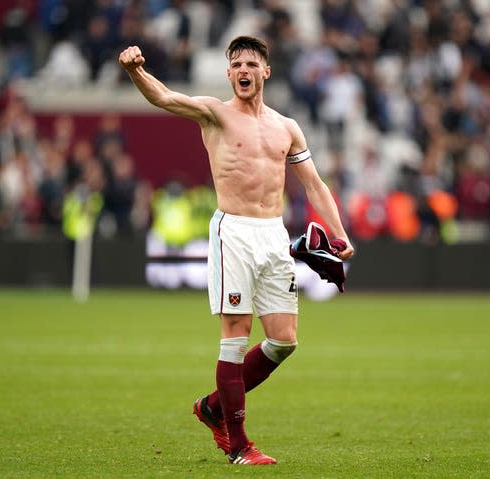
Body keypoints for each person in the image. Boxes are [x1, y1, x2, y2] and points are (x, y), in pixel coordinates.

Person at [119, 35, 354, 465]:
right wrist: (135, 70)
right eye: (236, 64)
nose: (244, 70)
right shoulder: (214, 114)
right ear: (228, 73)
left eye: (252, 63)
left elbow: (314, 185)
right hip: (234, 233)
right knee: (235, 337)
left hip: (273, 235)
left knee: (284, 341)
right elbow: (165, 97)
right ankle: (240, 445)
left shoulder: (287, 127)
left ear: (266, 71)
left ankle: (212, 406)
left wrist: (340, 234)